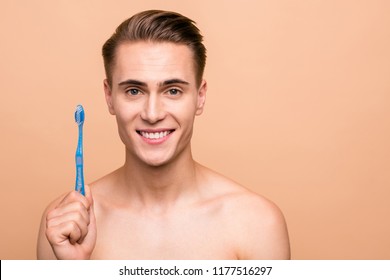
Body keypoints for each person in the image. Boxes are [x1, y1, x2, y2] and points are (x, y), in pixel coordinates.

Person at [37, 10, 290, 260]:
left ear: (200, 97)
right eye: (134, 91)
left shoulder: (257, 224)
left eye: (173, 90)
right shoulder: (64, 227)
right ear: (109, 97)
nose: (152, 113)